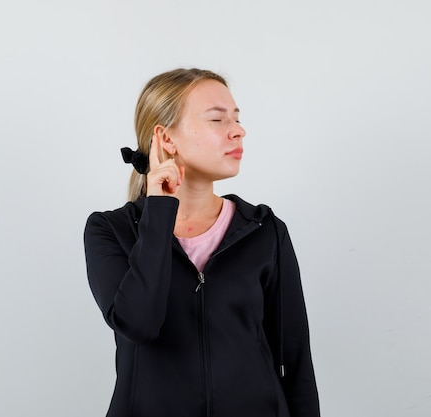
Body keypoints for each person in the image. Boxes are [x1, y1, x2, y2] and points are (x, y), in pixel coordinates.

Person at [84, 68, 320, 417]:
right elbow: (139, 323)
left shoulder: (263, 230)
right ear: (166, 139)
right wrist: (160, 211)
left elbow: (295, 359)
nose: (238, 130)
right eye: (217, 119)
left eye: (237, 119)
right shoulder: (110, 230)